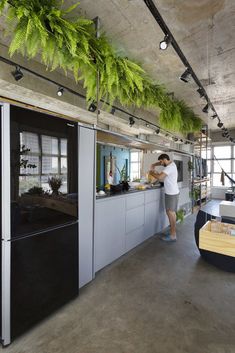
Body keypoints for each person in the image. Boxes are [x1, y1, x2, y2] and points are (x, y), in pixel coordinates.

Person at [149, 153, 179, 242]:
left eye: (161, 162)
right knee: (171, 212)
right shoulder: (171, 164)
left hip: (171, 193)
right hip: (172, 192)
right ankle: (172, 232)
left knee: (170, 213)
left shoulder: (169, 167)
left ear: (165, 159)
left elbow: (160, 177)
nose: (161, 164)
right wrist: (154, 164)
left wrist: (151, 172)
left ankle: (173, 235)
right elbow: (161, 164)